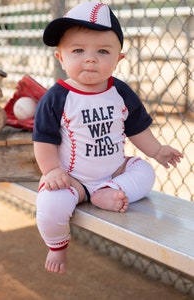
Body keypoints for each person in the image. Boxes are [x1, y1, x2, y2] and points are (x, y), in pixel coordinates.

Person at [32, 1, 183, 274]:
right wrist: (51, 170)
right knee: (49, 204)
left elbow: (136, 128)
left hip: (115, 171)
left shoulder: (120, 91)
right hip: (72, 180)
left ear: (119, 59)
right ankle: (57, 245)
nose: (90, 58)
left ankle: (108, 192)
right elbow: (43, 139)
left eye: (102, 51)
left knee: (145, 172)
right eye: (78, 50)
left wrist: (157, 150)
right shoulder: (58, 97)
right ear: (60, 58)